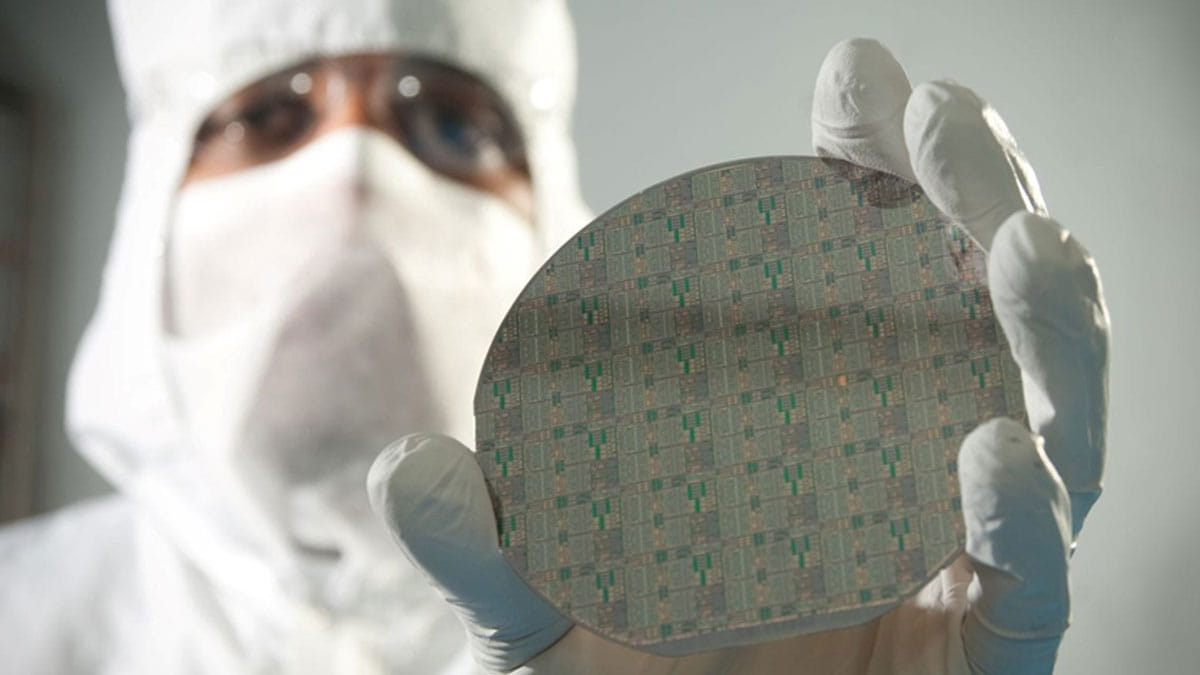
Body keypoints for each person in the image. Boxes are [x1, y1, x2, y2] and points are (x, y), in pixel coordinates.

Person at [0, 0, 1109, 673]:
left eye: (449, 121)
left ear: (547, 217)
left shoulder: (698, 614)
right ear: (152, 203)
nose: (350, 181)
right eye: (267, 115)